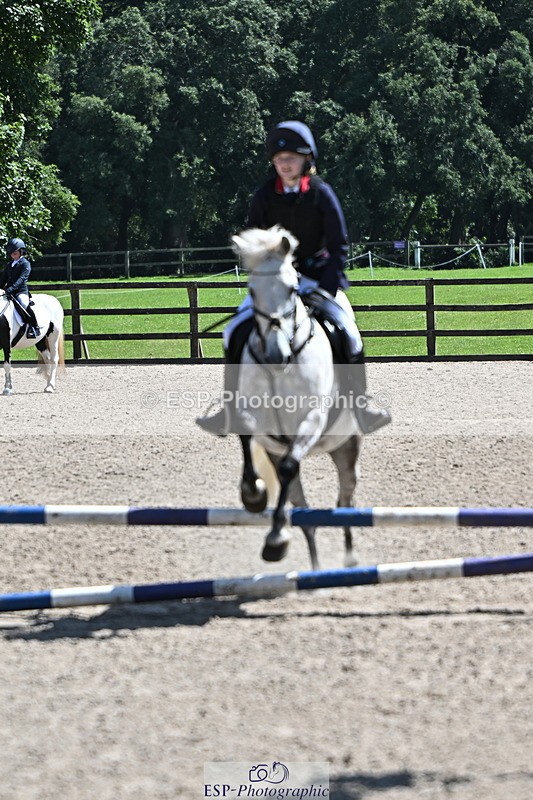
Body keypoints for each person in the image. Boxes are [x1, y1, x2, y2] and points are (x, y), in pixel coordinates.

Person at [197, 120, 391, 436]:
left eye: (292, 158)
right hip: (275, 284)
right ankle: (229, 409)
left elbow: (338, 243)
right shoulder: (263, 196)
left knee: (350, 334)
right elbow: (255, 243)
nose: (285, 164)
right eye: (279, 159)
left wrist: (328, 287)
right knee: (233, 332)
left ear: (306, 160)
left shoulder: (321, 194)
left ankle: (361, 406)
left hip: (316, 280)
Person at [1, 237, 40, 338]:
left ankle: (34, 327)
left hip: (20, 291)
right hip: (9, 292)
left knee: (23, 303)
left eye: (14, 253)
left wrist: (11, 289)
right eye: (11, 253)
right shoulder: (9, 265)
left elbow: (21, 279)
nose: (12, 255)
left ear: (21, 251)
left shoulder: (25, 264)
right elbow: (3, 278)